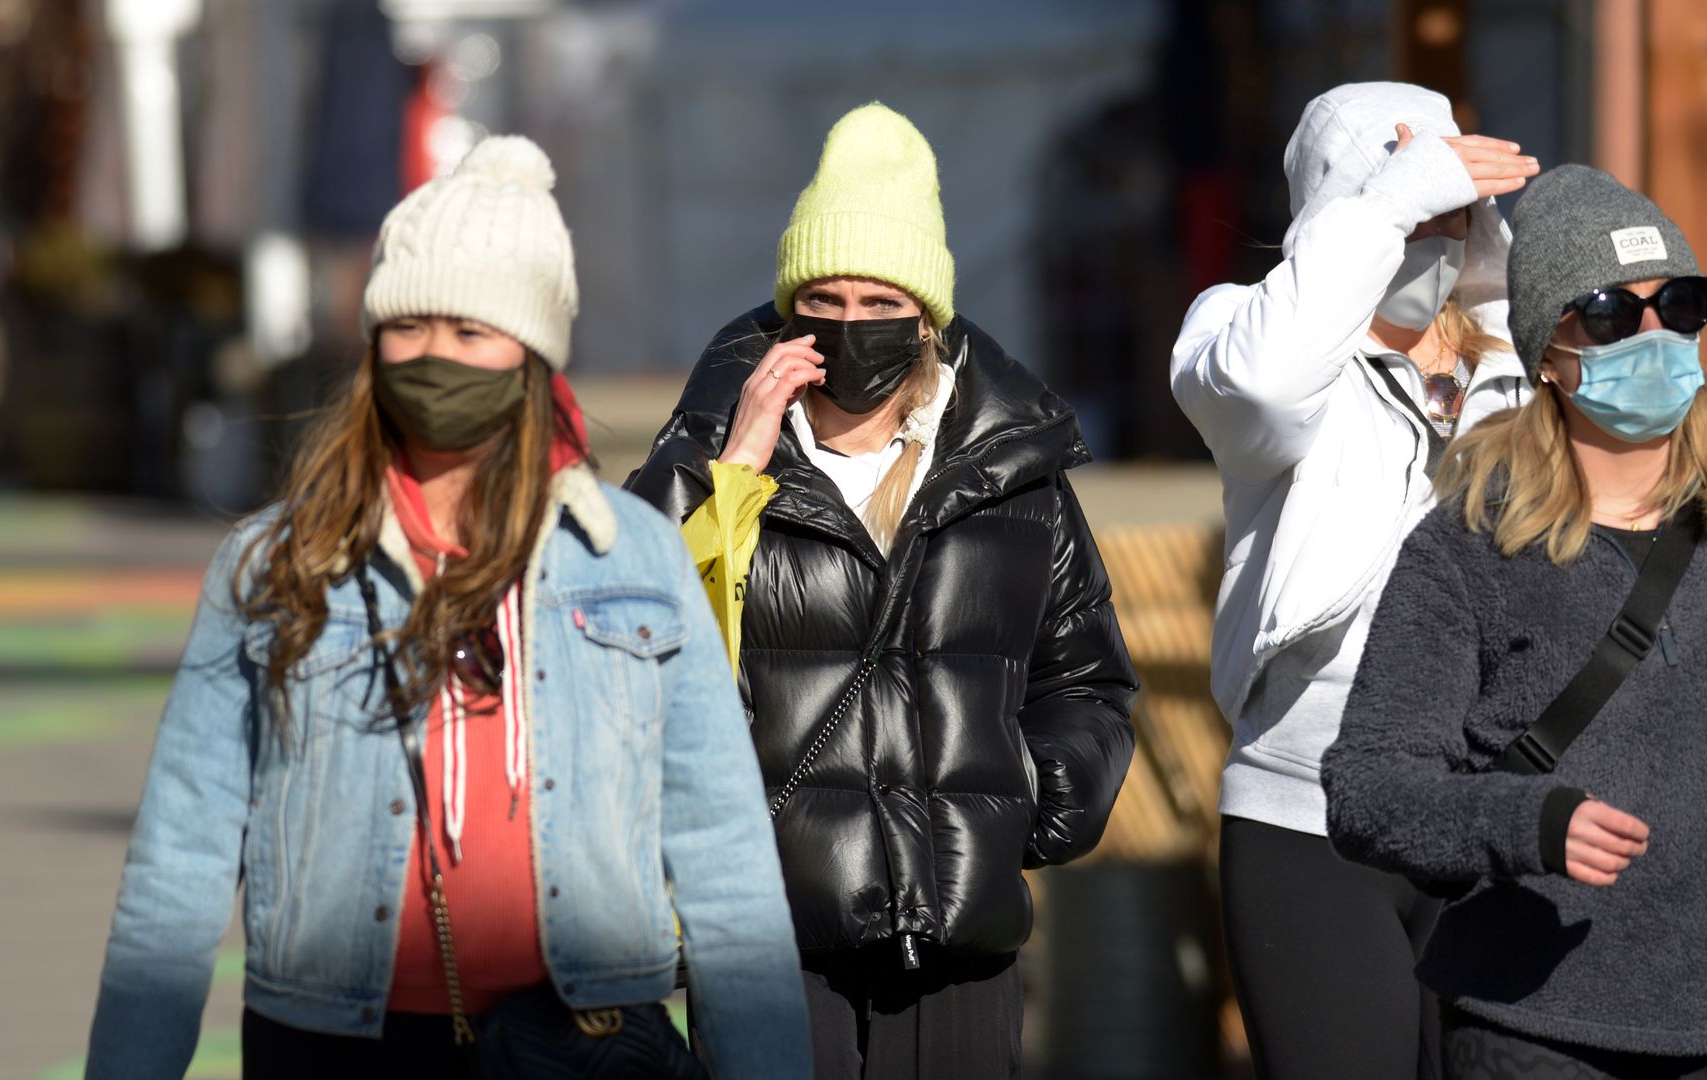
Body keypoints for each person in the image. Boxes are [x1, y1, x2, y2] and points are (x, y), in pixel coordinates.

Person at [86, 136, 811, 1079]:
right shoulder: (273, 567)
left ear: (531, 357)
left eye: (471, 332)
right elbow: (178, 864)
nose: (435, 357)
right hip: (332, 1044)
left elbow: (726, 861)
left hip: (585, 1043)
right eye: (409, 326)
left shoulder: (631, 559)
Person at [628, 102, 1137, 1078]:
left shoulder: (1012, 473)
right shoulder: (701, 455)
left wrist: (1030, 796)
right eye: (824, 301)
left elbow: (1088, 681)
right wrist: (737, 468)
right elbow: (641, 656)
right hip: (762, 933)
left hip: (957, 936)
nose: (850, 327)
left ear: (926, 315)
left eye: (878, 304)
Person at [1322, 164, 1707, 1078]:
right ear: (1547, 352)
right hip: (1529, 1029)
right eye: (1610, 312)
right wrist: (1524, 820)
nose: (1652, 333)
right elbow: (1368, 788)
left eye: (1679, 304)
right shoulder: (1466, 544)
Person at [1167, 82, 1540, 1080]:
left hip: (1491, 805)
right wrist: (1378, 214)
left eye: (1450, 204)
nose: (1434, 228)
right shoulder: (1241, 328)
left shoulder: (1515, 351)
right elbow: (1260, 387)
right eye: (1410, 205)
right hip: (1307, 815)